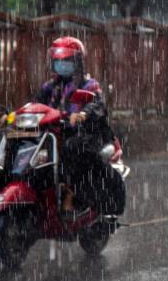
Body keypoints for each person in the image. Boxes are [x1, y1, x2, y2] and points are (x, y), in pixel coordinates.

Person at [35, 36, 126, 218]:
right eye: (58, 61)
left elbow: (98, 104)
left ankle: (71, 195)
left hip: (86, 134)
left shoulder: (89, 85)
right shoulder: (50, 87)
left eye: (66, 61)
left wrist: (83, 114)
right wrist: (14, 116)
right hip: (55, 133)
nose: (62, 65)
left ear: (77, 62)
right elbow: (36, 104)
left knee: (71, 147)